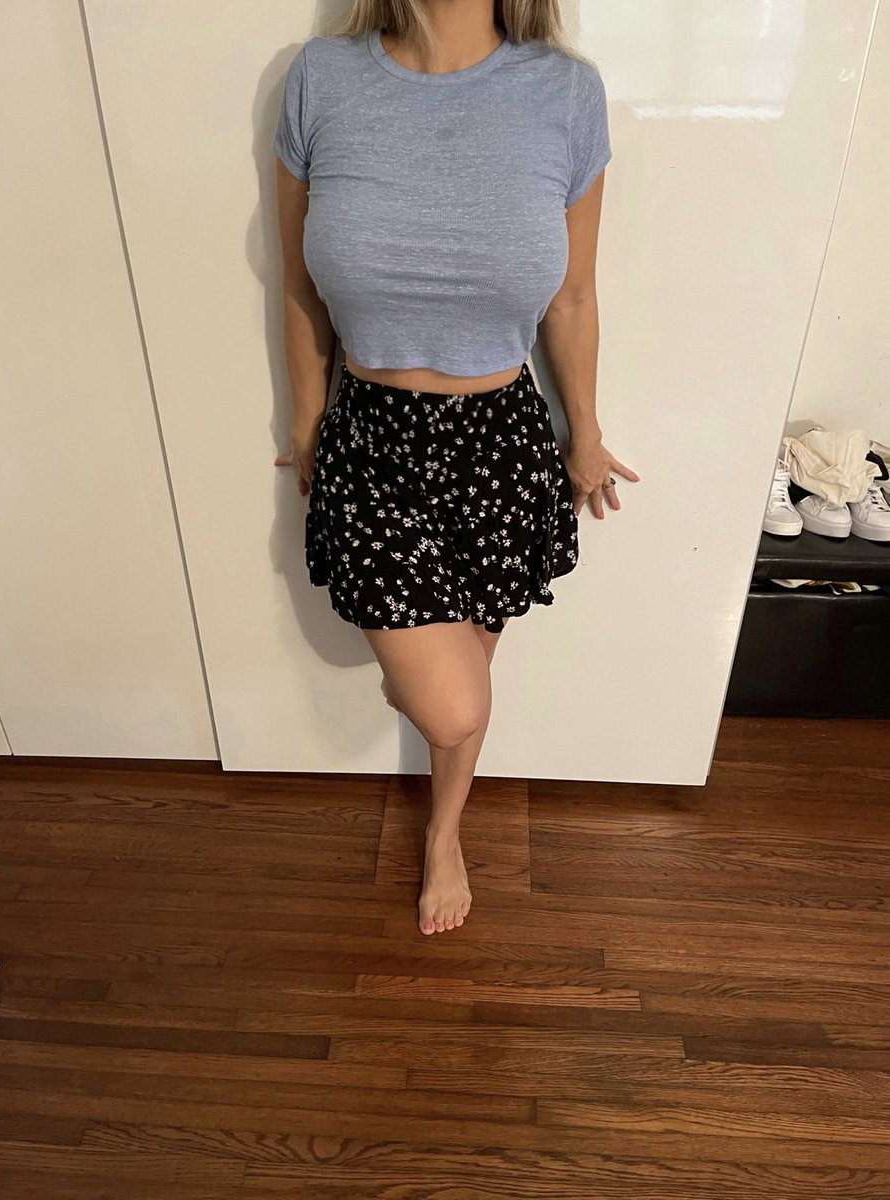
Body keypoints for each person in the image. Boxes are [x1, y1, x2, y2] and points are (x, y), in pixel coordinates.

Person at [273, 0, 639, 937]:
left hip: (503, 441)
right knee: (451, 702)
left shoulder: (565, 92)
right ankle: (429, 744)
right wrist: (307, 422)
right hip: (374, 440)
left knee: (470, 672)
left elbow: (573, 296)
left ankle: (444, 833)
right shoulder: (322, 79)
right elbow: (300, 288)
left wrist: (585, 431)